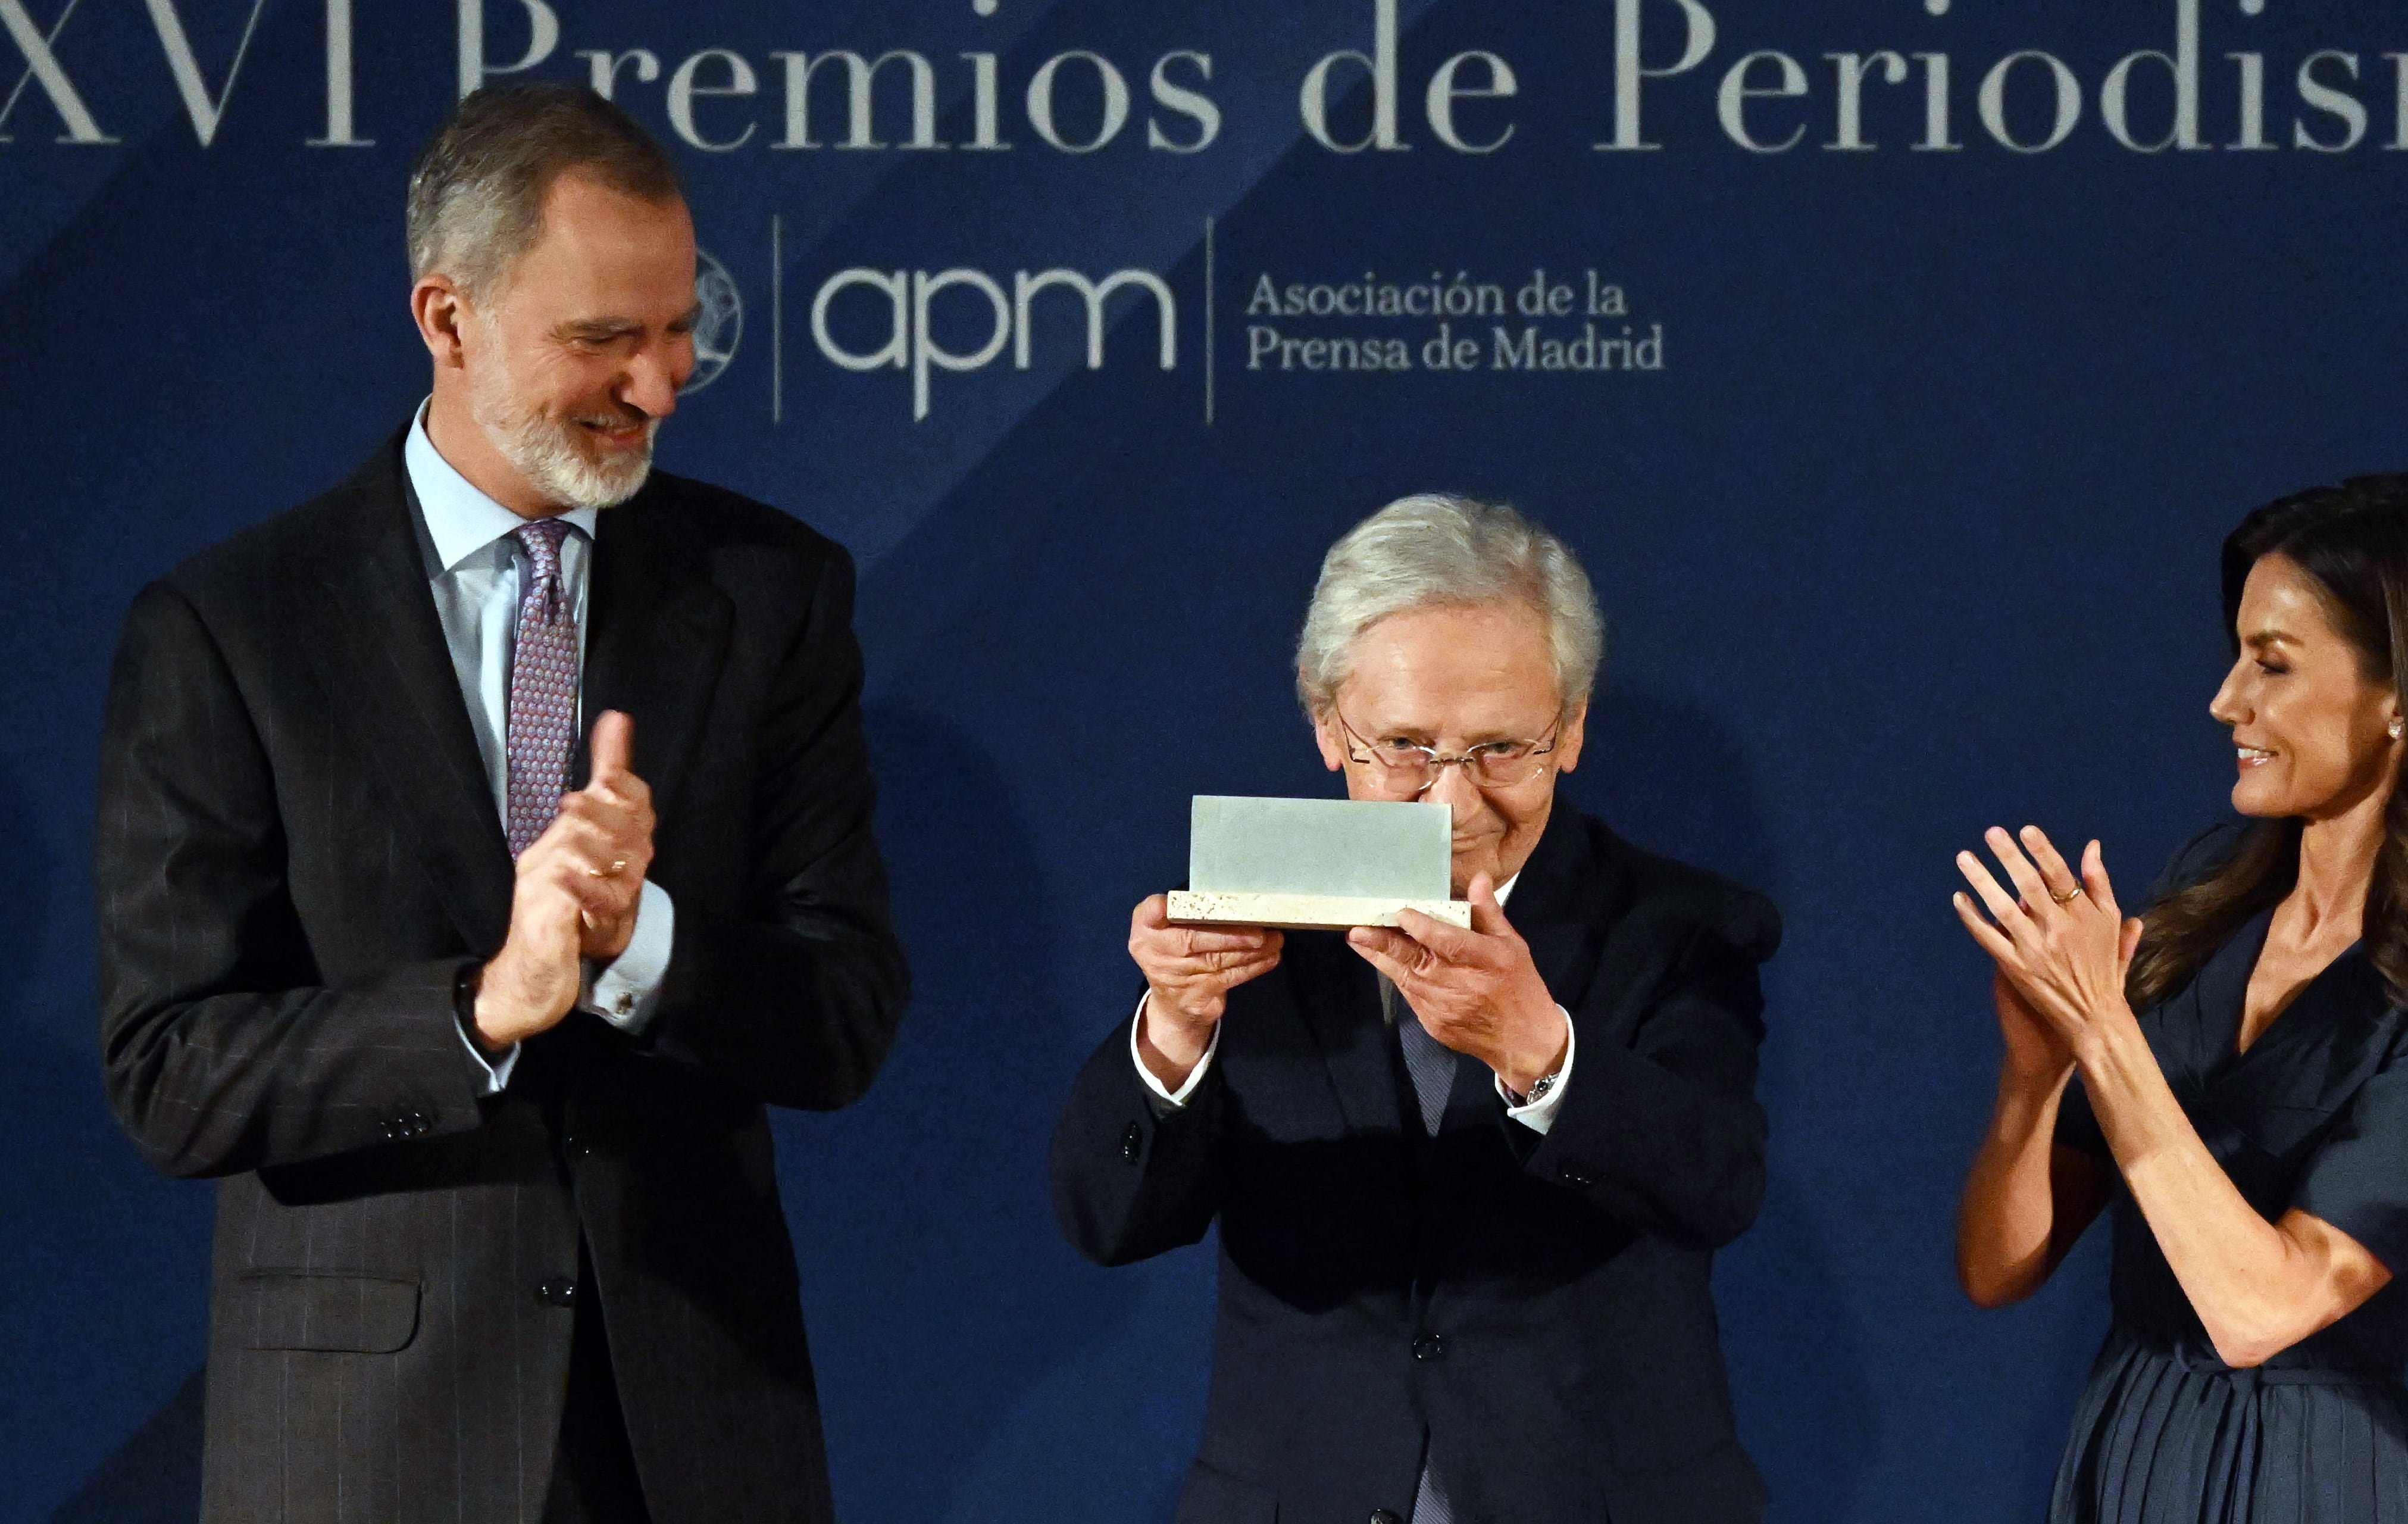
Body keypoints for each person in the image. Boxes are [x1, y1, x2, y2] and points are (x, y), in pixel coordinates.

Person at [94, 84, 906, 1524]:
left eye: (676, 329)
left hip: (695, 1427)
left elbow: (841, 1012)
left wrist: (635, 939)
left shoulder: (773, 592)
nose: (657, 385)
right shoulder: (235, 625)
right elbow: (173, 1068)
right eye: (603, 338)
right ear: (447, 318)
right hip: (370, 1445)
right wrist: (482, 1003)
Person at [1049, 495, 1782, 1523]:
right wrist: (1173, 1033)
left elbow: (1717, 1187)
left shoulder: (1681, 928)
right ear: (1326, 727)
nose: (1451, 803)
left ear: (1570, 730)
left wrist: (1541, 1052)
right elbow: (1107, 1220)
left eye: (1500, 750)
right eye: (1403, 746)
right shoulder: (1252, 914)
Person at [1950, 474, 2408, 1523]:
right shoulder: (2208, 898)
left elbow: (2258, 1309)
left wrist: (2102, 1028)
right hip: (2124, 1442)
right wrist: (2033, 1079)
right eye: (2234, 657)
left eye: (2270, 664)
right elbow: (1998, 1271)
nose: (2227, 701)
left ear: (2406, 694)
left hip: (2301, 1475)